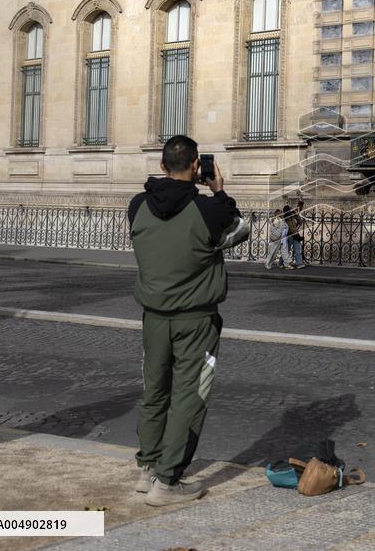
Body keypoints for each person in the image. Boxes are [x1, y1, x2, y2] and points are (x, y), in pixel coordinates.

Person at [127, 136, 241, 506]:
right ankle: (167, 481)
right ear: (196, 166)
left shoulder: (137, 205)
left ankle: (147, 468)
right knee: (190, 396)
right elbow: (239, 228)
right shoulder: (208, 210)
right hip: (196, 319)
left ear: (162, 166)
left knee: (155, 390)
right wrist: (219, 191)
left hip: (153, 318)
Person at [285, 205, 303, 269]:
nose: (291, 210)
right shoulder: (285, 218)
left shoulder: (294, 216)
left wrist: (296, 215)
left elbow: (300, 222)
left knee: (297, 249)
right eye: (290, 209)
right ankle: (282, 262)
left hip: (296, 234)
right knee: (287, 250)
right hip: (289, 235)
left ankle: (299, 263)